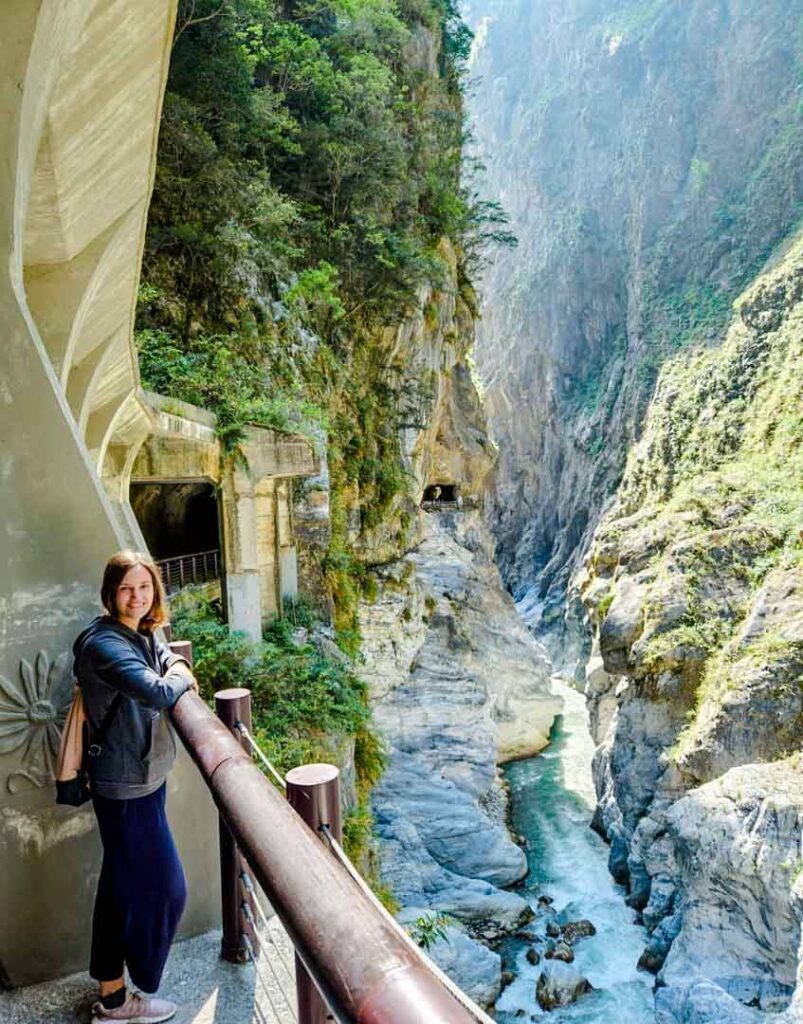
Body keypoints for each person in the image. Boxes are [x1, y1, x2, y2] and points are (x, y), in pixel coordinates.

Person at [73, 551, 198, 1024]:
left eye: (145, 587)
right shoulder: (104, 645)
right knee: (169, 889)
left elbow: (160, 652)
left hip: (140, 777)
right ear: (110, 592)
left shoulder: (135, 632)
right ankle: (137, 987)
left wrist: (173, 663)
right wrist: (183, 674)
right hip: (126, 787)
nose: (137, 597)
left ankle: (110, 994)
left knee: (118, 887)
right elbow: (158, 690)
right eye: (127, 588)